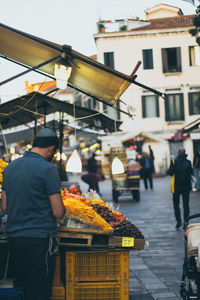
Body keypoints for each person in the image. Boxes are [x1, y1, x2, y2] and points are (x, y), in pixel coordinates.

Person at [0, 128, 66, 300]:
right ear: (52, 149)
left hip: (14, 239)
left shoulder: (9, 168)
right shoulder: (48, 169)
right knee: (39, 290)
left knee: (23, 287)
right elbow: (58, 212)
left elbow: (4, 207)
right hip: (39, 240)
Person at [168, 148, 193, 229]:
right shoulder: (188, 162)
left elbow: (170, 173)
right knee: (186, 205)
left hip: (177, 186)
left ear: (178, 153)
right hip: (186, 186)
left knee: (176, 204)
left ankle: (178, 222)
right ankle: (186, 223)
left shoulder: (174, 161)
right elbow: (191, 173)